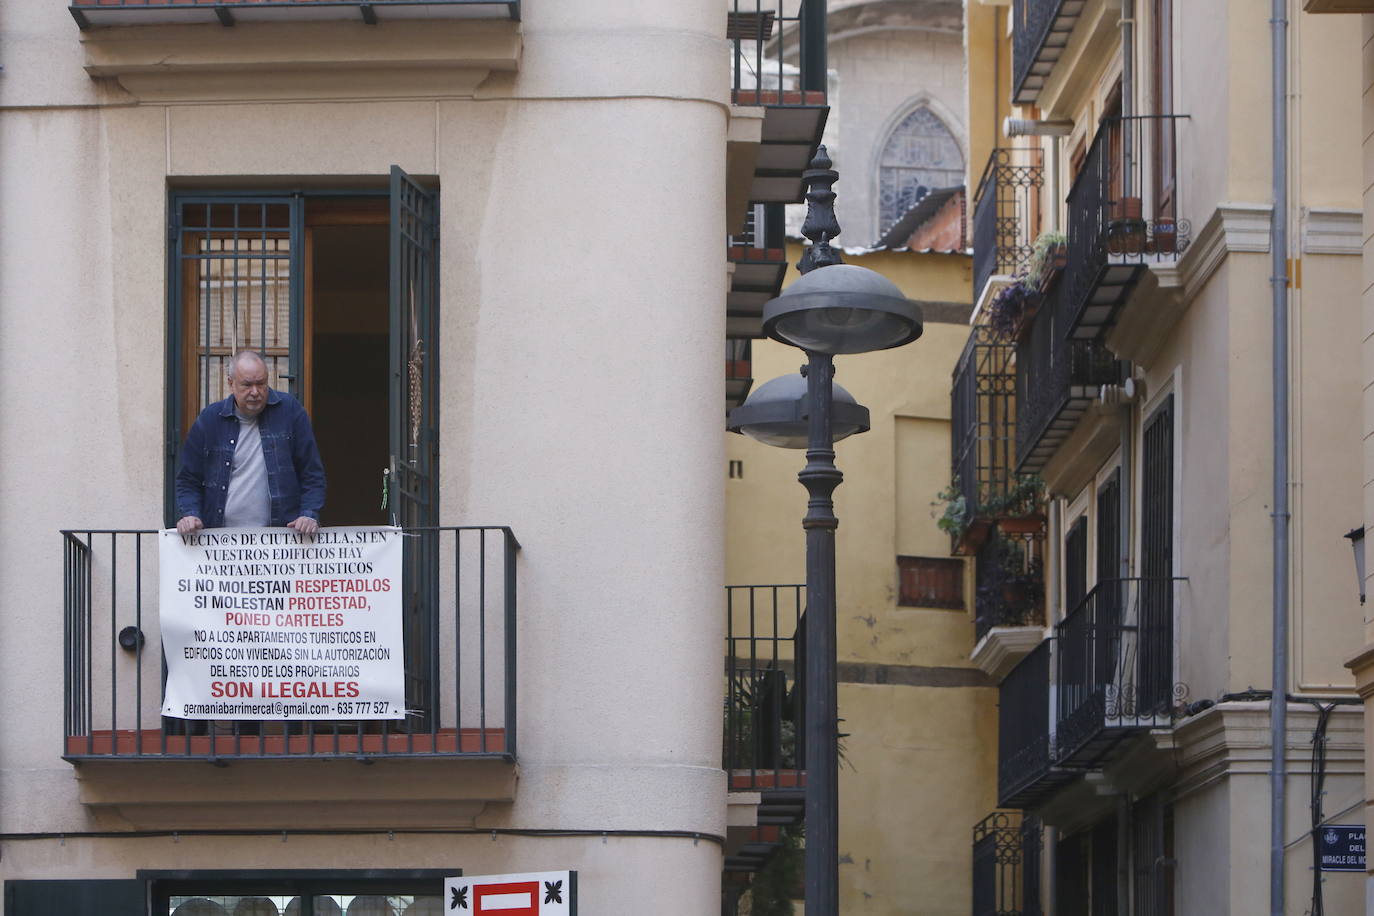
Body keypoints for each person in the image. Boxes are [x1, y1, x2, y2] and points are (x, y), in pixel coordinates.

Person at [175, 350, 325, 535]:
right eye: (247, 385)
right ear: (231, 383)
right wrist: (190, 514)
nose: (255, 392)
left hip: (282, 540)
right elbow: (189, 479)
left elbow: (311, 473)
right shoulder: (210, 420)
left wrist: (308, 514)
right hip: (220, 542)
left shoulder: (291, 412)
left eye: (261, 384)